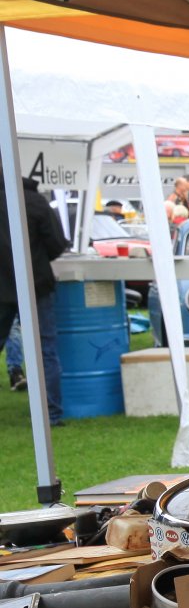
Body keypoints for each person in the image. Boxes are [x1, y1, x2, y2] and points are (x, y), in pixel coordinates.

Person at [0, 176, 68, 424]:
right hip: (36, 282)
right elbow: (57, 244)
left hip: (3, 285)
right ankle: (51, 413)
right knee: (45, 349)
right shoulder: (35, 201)